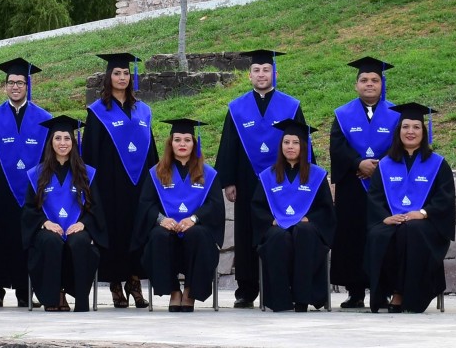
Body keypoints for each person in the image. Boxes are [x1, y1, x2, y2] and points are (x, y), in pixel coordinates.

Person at [215, 49, 305, 308]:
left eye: (266, 69)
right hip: (246, 180)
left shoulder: (291, 106)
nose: (261, 74)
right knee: (245, 233)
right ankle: (247, 289)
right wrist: (229, 181)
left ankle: (281, 284)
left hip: (282, 181)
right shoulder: (237, 108)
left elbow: (301, 143)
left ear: (274, 73)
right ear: (249, 75)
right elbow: (228, 145)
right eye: (257, 70)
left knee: (280, 230)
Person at [0, 57, 52, 308]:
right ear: (5, 86)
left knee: (28, 239)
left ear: (28, 86)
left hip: (32, 192)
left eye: (20, 82)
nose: (15, 86)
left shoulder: (43, 119)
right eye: (11, 82)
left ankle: (26, 291)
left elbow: (52, 156)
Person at [83, 52, 158, 308]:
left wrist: (155, 181)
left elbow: (151, 149)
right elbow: (90, 152)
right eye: (117, 73)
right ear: (108, 77)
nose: (122, 77)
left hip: (137, 184)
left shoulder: (142, 111)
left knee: (136, 230)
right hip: (110, 184)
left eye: (126, 73)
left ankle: (134, 282)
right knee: (114, 231)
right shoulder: (97, 112)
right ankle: (116, 283)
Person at [364, 103, 455, 313]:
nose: (410, 132)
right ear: (399, 131)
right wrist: (385, 217)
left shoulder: (438, 164)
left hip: (427, 224)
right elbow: (375, 196)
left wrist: (423, 213)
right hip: (392, 221)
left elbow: (445, 198)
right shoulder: (386, 164)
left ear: (424, 132)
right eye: (406, 127)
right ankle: (388, 292)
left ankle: (406, 295)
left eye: (416, 127)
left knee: (411, 230)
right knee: (380, 234)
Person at [133, 119, 224, 312]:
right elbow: (146, 205)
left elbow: (214, 205)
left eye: (187, 140)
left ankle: (190, 291)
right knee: (158, 236)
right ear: (170, 143)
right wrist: (161, 220)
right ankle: (174, 290)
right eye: (177, 140)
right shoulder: (156, 173)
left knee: (198, 234)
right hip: (168, 234)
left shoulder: (209, 174)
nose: (182, 144)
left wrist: (193, 219)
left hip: (196, 234)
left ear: (194, 143)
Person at [329, 56, 397, 309]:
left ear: (382, 84)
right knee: (352, 237)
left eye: (374, 80)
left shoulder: (395, 114)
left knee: (380, 235)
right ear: (356, 84)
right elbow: (337, 145)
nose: (369, 84)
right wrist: (359, 163)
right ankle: (355, 291)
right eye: (364, 80)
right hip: (352, 185)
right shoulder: (343, 114)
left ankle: (385, 289)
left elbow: (401, 146)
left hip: (384, 187)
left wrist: (378, 166)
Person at [22, 115, 107, 312]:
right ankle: (54, 297)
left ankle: (80, 299)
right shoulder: (37, 174)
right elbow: (29, 208)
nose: (62, 143)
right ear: (50, 142)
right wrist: (45, 223)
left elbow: (95, 207)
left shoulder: (86, 173)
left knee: (80, 242)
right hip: (49, 229)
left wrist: (84, 223)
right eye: (57, 138)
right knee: (50, 241)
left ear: (73, 142)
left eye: (67, 138)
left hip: (76, 226)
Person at [252, 119, 335, 312]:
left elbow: (325, 209)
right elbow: (257, 208)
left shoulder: (317, 175)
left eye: (295, 142)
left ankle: (303, 299)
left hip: (307, 230)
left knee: (303, 231)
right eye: (286, 142)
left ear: (303, 146)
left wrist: (311, 218)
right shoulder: (267, 176)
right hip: (276, 228)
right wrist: (270, 220)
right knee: (278, 236)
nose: (290, 147)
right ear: (280, 146)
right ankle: (280, 301)